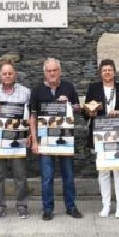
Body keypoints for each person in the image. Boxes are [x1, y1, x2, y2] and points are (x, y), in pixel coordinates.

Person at [29, 58, 83, 221]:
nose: (52, 73)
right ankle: (47, 208)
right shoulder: (37, 90)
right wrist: (34, 141)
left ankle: (71, 206)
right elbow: (33, 116)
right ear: (44, 73)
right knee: (47, 176)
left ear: (60, 71)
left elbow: (78, 109)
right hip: (45, 140)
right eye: (49, 71)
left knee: (68, 174)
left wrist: (69, 105)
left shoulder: (68, 87)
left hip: (65, 138)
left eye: (55, 70)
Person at [84, 59, 119, 218]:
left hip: (118, 133)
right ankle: (106, 205)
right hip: (100, 132)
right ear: (100, 73)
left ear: (114, 72)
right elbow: (86, 110)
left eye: (110, 70)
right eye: (104, 70)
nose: (107, 73)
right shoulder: (93, 88)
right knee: (103, 171)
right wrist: (89, 112)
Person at [0, 61, 31, 220]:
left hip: (19, 139)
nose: (7, 76)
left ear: (15, 75)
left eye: (10, 73)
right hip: (0, 140)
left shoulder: (26, 92)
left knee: (20, 174)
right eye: (4, 73)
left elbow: (30, 115)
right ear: (0, 75)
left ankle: (22, 205)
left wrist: (31, 135)